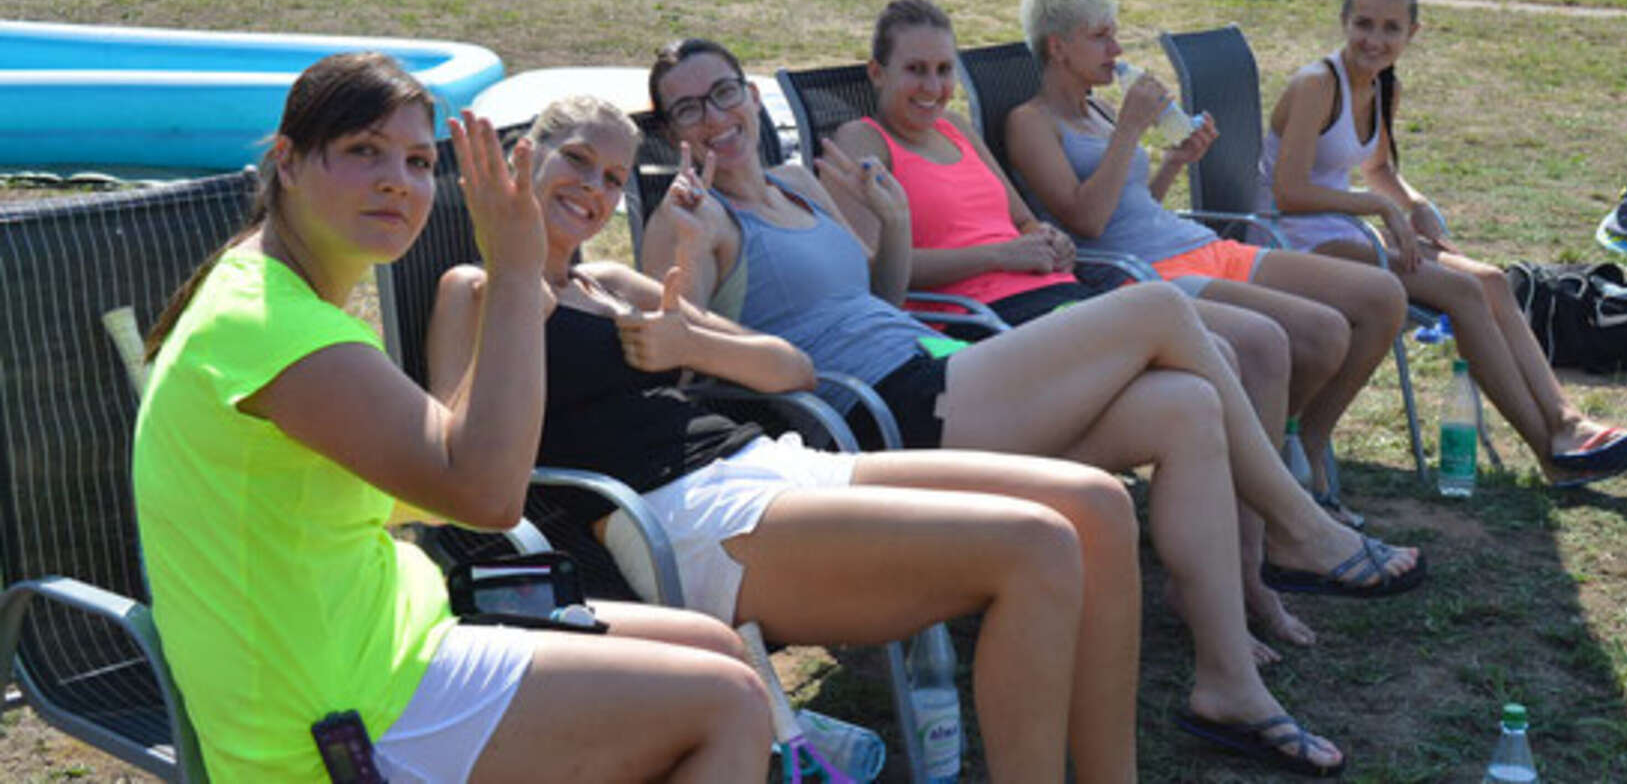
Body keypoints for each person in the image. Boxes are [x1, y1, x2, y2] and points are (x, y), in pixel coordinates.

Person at [644, 36, 1432, 777]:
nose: (716, 119)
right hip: (887, 415)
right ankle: (1298, 525)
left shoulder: (800, 181)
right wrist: (682, 245)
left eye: (725, 94)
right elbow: (680, 363)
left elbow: (879, 298)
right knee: (1158, 310)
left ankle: (1227, 683)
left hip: (936, 362)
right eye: (689, 109)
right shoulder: (693, 218)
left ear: (751, 96)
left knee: (1185, 404)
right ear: (672, 131)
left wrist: (892, 220)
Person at [427, 94, 1145, 784]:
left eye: (613, 178)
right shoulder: (474, 289)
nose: (594, 187)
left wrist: (690, 343)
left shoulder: (613, 282)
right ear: (526, 158)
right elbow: (458, 458)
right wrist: (517, 282)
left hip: (766, 463)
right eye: (578, 160)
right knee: (1036, 542)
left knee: (1097, 502)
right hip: (683, 516)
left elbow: (790, 368)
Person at [133, 53, 772, 783]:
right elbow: (488, 498)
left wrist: (512, 295)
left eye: (415, 161)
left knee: (714, 648)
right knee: (728, 705)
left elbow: (431, 483)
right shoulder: (272, 327)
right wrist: (514, 275)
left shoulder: (273, 300)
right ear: (288, 161)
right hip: (332, 718)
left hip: (392, 640)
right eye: (364, 151)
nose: (396, 181)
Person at [833, 0, 1325, 648]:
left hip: (1054, 289)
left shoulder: (957, 130)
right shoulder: (862, 143)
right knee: (1217, 357)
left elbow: (1021, 218)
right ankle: (1277, 539)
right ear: (877, 73)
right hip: (985, 324)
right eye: (915, 70)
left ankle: (1246, 566)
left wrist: (1046, 239)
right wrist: (1001, 256)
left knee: (1251, 348)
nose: (933, 87)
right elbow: (877, 277)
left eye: (944, 70)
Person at [1003, 0, 1411, 527]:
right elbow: (1087, 221)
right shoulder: (1030, 122)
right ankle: (1273, 488)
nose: (1116, 50)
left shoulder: (1099, 109)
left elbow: (1135, 206)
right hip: (1144, 276)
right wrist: (1130, 129)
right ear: (1057, 47)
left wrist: (1174, 161)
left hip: (1194, 244)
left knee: (1381, 296)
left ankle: (1295, 446)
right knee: (1322, 333)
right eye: (1100, 37)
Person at [1257, 0, 1627, 489]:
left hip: (1339, 229)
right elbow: (1287, 194)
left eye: (1391, 28)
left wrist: (1413, 203)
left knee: (1491, 280)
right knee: (1463, 293)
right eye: (1363, 24)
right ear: (1344, 21)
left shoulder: (1383, 86)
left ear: (1412, 33)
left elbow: (1378, 168)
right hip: (1289, 238)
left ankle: (1567, 422)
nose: (1374, 40)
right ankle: (1552, 456)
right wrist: (1378, 209)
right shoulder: (1317, 84)